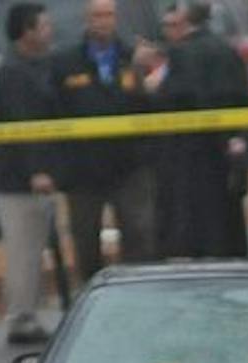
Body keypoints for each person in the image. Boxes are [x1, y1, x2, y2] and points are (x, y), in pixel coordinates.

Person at [51, 0, 162, 284]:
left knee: (139, 234)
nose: (103, 21)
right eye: (97, 15)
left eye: (109, 15)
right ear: (86, 19)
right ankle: (91, 299)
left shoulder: (131, 57)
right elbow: (54, 111)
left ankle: (138, 293)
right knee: (85, 239)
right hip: (83, 170)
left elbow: (151, 107)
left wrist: (143, 72)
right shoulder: (65, 62)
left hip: (129, 166)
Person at [149, 2, 248, 259]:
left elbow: (176, 97)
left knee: (198, 226)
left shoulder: (182, 54)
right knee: (229, 220)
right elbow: (244, 96)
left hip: (192, 154)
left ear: (184, 20)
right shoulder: (226, 49)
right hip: (226, 149)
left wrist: (153, 86)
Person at [0, 2, 62, 345]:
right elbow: (23, 126)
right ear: (27, 32)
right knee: (23, 251)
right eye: (44, 26)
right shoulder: (13, 73)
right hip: (17, 183)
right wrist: (37, 170)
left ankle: (29, 311)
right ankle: (20, 318)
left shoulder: (39, 67)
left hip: (36, 177)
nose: (50, 32)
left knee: (34, 249)